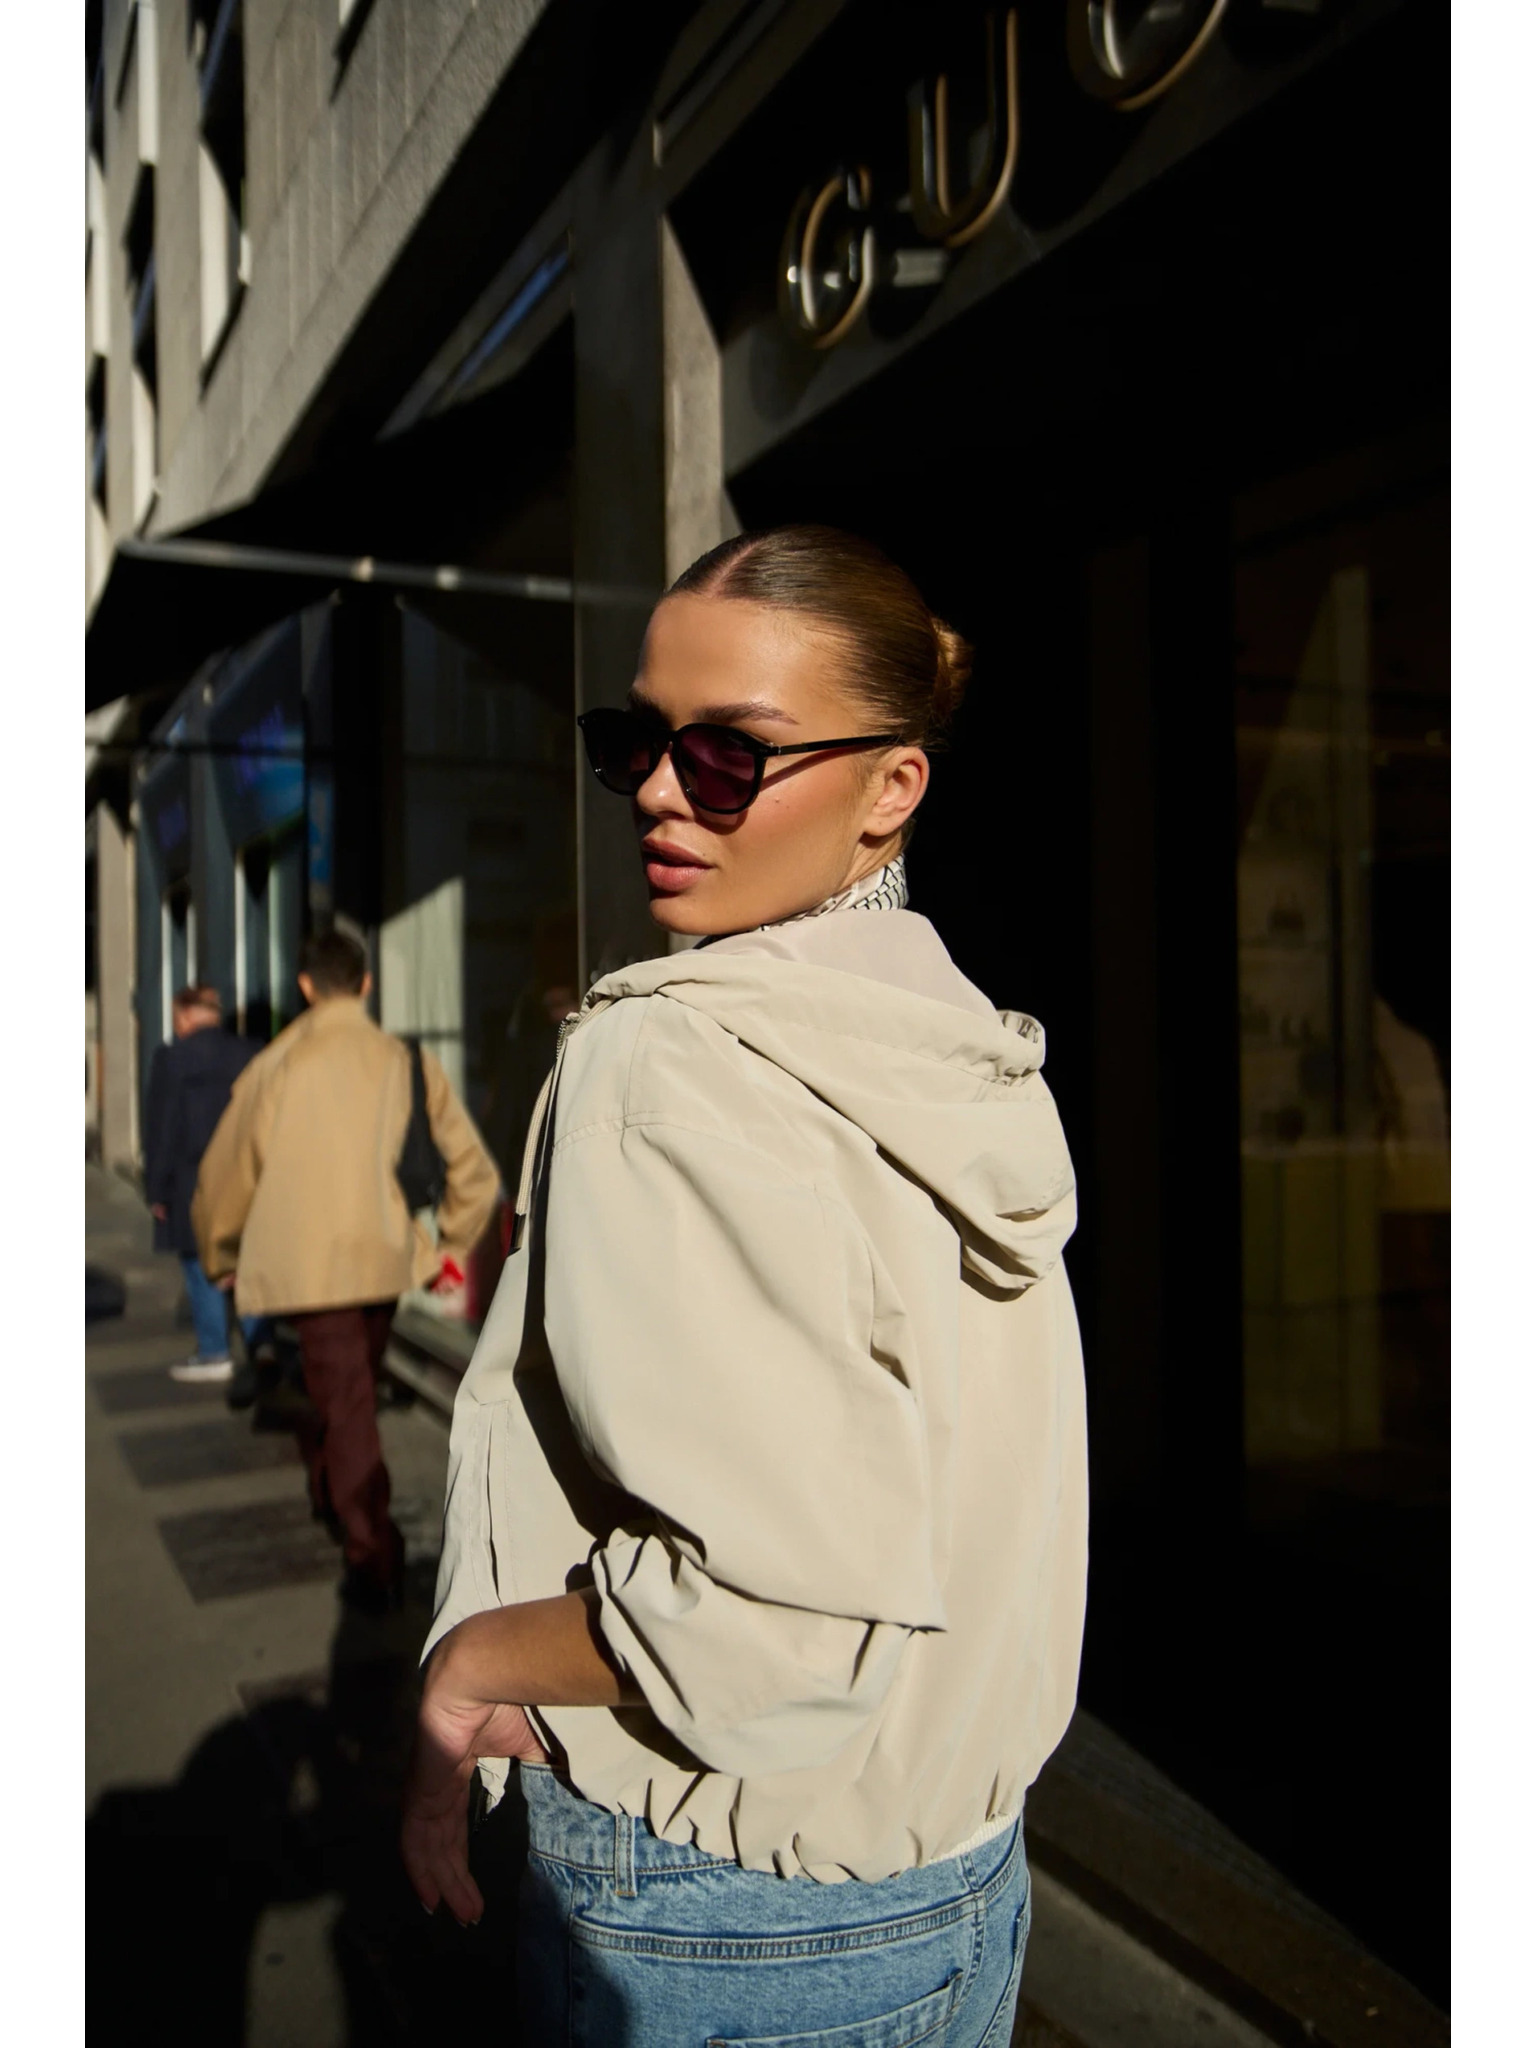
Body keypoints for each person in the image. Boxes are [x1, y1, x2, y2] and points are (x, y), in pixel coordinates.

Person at [403, 527, 1088, 2045]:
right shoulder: (956, 1054)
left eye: (729, 755)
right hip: (961, 1886)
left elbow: (772, 1623)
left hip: (717, 1903)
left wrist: (469, 1663)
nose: (660, 787)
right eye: (635, 739)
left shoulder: (670, 1061)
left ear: (890, 789)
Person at [192, 927, 499, 1612]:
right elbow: (472, 1170)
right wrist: (450, 1245)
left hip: (308, 1268)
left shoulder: (276, 1065)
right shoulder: (405, 1060)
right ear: (365, 984)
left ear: (306, 986)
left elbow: (225, 1174)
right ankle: (339, 1499)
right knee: (348, 1392)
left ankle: (371, 1551)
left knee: (344, 1400)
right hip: (383, 1259)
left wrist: (222, 1253)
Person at [143, 984, 263, 1386]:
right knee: (246, 1259)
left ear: (184, 1016)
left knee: (199, 1264)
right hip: (244, 1175)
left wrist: (156, 1190)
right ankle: (259, 1344)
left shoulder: (172, 1060)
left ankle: (214, 1350)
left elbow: (162, 1129)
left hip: (190, 1179)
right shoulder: (250, 1053)